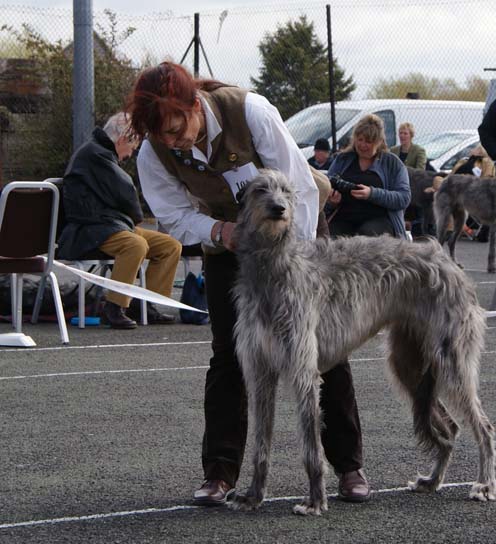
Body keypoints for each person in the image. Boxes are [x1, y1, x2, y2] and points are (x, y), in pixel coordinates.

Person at [126, 62, 370, 505]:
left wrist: (293, 259)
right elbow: (173, 216)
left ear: (194, 105)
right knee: (228, 355)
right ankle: (220, 474)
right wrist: (221, 232)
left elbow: (299, 185)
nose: (173, 141)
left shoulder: (251, 111)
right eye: (162, 136)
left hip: (297, 235)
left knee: (322, 349)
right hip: (230, 245)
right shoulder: (153, 153)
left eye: (178, 129)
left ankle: (349, 466)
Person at [57, 113, 181, 329]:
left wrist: (131, 221)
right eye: (132, 148)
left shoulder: (100, 152)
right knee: (135, 245)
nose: (130, 154)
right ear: (123, 140)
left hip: (110, 225)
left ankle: (146, 304)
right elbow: (126, 191)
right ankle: (114, 306)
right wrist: (136, 218)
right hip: (91, 229)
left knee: (170, 246)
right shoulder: (96, 154)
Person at [326, 114, 411, 238]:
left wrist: (372, 194)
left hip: (380, 220)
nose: (363, 145)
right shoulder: (342, 159)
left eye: (369, 142)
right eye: (360, 140)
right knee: (329, 238)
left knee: (367, 237)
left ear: (379, 142)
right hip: (344, 217)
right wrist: (332, 201)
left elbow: (404, 198)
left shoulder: (392, 163)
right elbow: (326, 190)